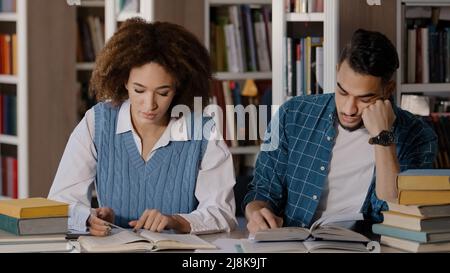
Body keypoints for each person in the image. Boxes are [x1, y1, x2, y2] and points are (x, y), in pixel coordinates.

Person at [48, 18, 237, 236]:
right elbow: (61, 202)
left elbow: (223, 212)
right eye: (139, 90)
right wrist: (88, 218)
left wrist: (177, 221)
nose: (150, 105)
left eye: (163, 92)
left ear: (179, 87)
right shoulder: (97, 122)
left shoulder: (203, 131)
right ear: (124, 81)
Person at [243, 29, 438, 233]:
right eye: (342, 91)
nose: (348, 109)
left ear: (388, 89)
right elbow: (262, 190)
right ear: (337, 71)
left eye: (364, 98)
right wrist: (257, 212)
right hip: (296, 245)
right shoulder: (292, 114)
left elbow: (397, 213)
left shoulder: (419, 137)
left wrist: (383, 138)